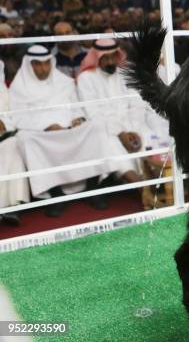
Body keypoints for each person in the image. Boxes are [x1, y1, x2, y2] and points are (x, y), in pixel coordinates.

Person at [9, 45, 113, 217]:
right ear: (29, 65)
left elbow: (76, 107)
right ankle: (56, 196)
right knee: (25, 140)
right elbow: (17, 118)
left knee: (97, 127)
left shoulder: (63, 82)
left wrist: (78, 118)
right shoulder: (19, 87)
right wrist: (47, 126)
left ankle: (93, 188)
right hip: (41, 134)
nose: (43, 68)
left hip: (69, 128)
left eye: (46, 64)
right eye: (37, 64)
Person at [77, 39, 165, 185]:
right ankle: (142, 188)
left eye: (113, 56)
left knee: (150, 138)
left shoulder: (124, 74)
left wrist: (134, 129)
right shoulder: (86, 78)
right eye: (105, 58)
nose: (111, 61)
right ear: (97, 57)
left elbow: (137, 102)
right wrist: (120, 133)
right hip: (106, 128)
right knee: (111, 146)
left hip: (133, 123)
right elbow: (93, 113)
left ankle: (159, 183)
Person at [0, 60, 29, 226]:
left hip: (4, 136)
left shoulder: (3, 91)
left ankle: (12, 207)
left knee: (13, 144)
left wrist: (4, 124)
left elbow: (12, 117)